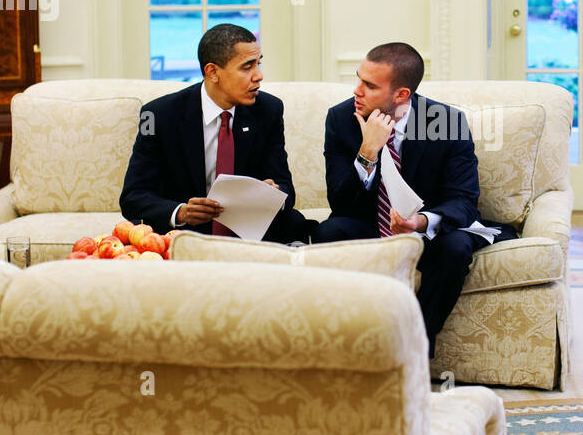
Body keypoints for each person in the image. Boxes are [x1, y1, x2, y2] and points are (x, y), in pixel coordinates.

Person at [313, 42, 515, 355]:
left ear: (401, 94)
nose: (357, 91)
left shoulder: (444, 121)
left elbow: (463, 199)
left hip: (425, 235)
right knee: (328, 232)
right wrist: (368, 151)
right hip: (369, 227)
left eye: (369, 85)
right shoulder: (341, 118)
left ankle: (415, 344)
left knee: (457, 246)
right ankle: (345, 344)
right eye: (358, 79)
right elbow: (340, 203)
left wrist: (419, 221)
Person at [120, 24, 312, 244]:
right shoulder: (158, 115)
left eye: (258, 64)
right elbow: (133, 197)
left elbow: (286, 189)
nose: (258, 76)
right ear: (212, 72)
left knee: (295, 224)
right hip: (187, 232)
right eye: (247, 67)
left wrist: (272, 194)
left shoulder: (269, 110)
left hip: (248, 230)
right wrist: (181, 212)